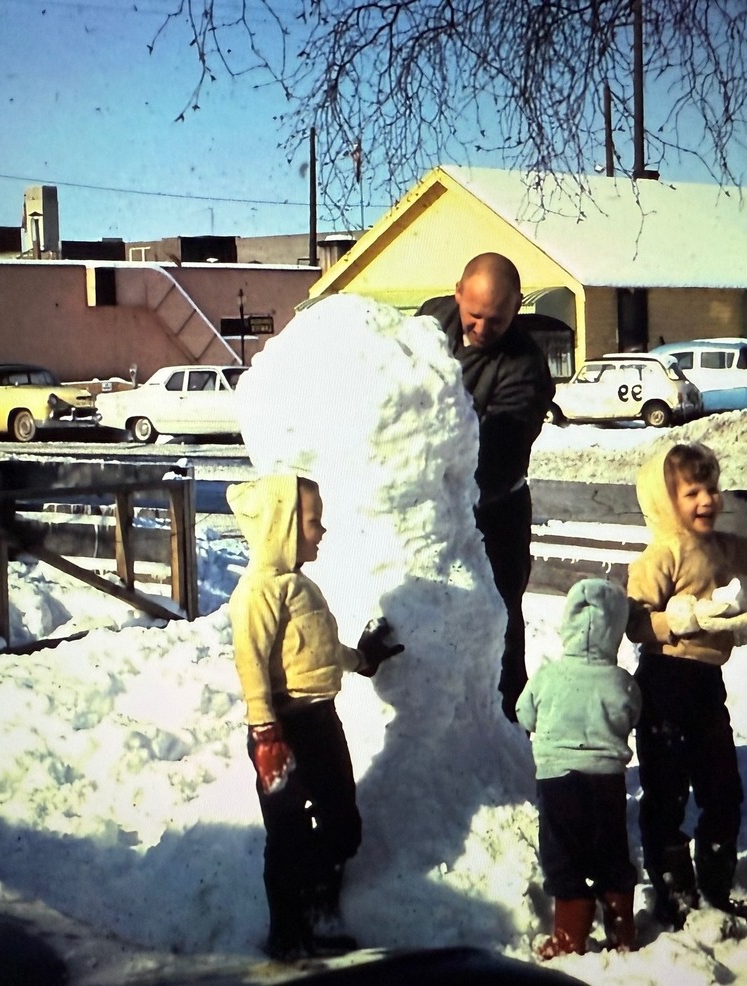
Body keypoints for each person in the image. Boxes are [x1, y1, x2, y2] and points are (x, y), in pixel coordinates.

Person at [625, 442, 747, 929]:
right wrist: (675, 623)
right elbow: (634, 622)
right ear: (666, 500)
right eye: (691, 493)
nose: (707, 500)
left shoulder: (721, 546)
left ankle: (717, 883)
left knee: (722, 787)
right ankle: (673, 889)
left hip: (706, 686)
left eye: (712, 488)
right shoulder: (660, 555)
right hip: (664, 684)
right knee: (665, 793)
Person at [227, 474, 404, 960]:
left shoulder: (300, 586)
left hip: (320, 721)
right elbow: (252, 665)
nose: (321, 531)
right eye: (312, 522)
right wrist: (266, 735)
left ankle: (321, 907)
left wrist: (362, 659)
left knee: (342, 822)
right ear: (282, 526)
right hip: (280, 730)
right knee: (287, 836)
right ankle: (289, 932)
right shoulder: (258, 592)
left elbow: (317, 651)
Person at [418, 253, 557, 723]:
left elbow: (494, 460)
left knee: (497, 619)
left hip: (494, 512)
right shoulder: (430, 320)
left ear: (517, 308)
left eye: (495, 320)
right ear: (457, 292)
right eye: (473, 314)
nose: (479, 327)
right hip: (428, 502)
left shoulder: (525, 368)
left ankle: (503, 725)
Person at [516, 578, 643, 959]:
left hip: (557, 781)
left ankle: (571, 933)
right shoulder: (622, 682)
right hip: (605, 780)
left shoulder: (547, 676)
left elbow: (524, 714)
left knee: (562, 852)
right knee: (610, 847)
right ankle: (621, 923)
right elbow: (631, 716)